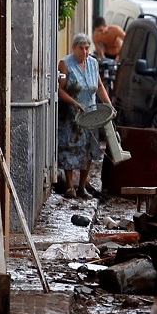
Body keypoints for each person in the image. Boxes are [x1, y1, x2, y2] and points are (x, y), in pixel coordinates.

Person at [57, 32, 115, 199]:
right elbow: (60, 89)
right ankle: (70, 187)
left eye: (87, 48)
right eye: (81, 48)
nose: (85, 52)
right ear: (74, 48)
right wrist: (74, 103)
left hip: (90, 114)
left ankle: (82, 186)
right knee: (70, 148)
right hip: (71, 115)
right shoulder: (65, 64)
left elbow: (99, 86)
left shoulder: (93, 63)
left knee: (88, 149)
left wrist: (109, 105)